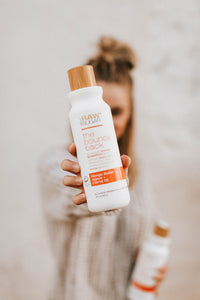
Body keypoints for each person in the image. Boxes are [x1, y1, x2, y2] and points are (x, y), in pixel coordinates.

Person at [38, 36, 167, 300]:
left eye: (116, 111)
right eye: (99, 112)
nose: (106, 122)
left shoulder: (138, 172)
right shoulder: (55, 165)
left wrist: (152, 268)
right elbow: (68, 197)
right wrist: (90, 191)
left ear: (130, 115)